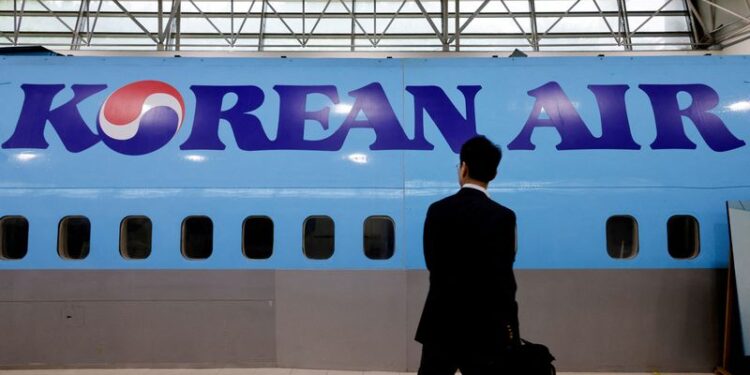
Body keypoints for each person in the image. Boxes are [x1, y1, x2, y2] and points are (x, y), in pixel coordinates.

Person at [416, 135, 519, 375]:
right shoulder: (504, 217)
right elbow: (505, 282)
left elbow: (433, 264)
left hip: (441, 324)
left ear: (463, 168)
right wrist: (512, 332)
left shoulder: (438, 210)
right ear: (493, 174)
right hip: (485, 329)